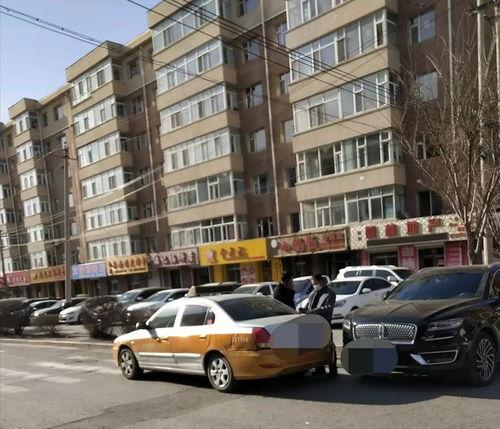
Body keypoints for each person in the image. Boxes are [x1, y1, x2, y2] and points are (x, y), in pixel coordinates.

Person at [300, 274, 338, 377]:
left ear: (321, 281)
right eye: (313, 284)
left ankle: (333, 370)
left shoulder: (330, 293)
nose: (314, 286)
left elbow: (328, 307)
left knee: (329, 346)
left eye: (315, 283)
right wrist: (304, 310)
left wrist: (312, 312)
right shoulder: (313, 293)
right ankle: (320, 369)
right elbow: (308, 306)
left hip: (324, 322)